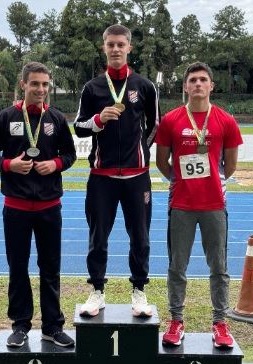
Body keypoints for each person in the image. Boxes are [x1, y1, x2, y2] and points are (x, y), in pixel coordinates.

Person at [0, 62, 77, 348]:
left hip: (50, 207)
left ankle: (52, 327)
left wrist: (55, 164)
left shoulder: (56, 119)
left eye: (45, 84)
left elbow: (70, 155)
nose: (41, 89)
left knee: (50, 268)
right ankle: (21, 325)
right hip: (16, 207)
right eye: (35, 83)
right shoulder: (6, 117)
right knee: (18, 268)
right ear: (23, 84)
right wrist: (8, 165)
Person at [155, 61, 243, 349]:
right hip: (181, 204)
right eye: (192, 80)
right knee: (177, 267)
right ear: (185, 86)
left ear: (211, 86)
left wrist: (212, 182)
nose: (198, 84)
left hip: (214, 205)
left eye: (203, 79)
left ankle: (220, 323)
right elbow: (162, 161)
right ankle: (176, 321)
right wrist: (180, 181)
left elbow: (230, 165)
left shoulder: (225, 121)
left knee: (219, 267)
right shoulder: (171, 120)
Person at [74, 24, 160, 317]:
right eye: (110, 44)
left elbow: (155, 125)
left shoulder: (145, 86)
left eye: (120, 44)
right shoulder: (92, 88)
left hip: (137, 177)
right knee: (98, 238)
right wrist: (99, 119)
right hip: (102, 177)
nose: (115, 49)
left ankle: (139, 291)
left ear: (129, 48)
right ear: (104, 48)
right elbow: (79, 126)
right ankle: (97, 291)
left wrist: (141, 150)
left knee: (140, 237)